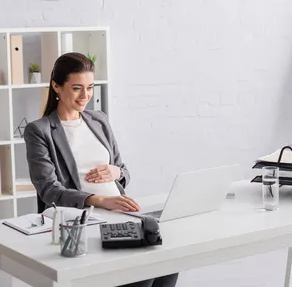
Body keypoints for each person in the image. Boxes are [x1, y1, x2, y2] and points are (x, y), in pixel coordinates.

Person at [24, 52, 179, 287]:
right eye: (77, 88)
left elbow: (123, 170)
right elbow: (49, 190)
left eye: (90, 87)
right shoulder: (40, 130)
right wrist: (100, 200)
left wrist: (116, 173)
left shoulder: (99, 120)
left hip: (120, 211)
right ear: (56, 86)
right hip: (83, 219)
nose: (85, 96)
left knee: (169, 264)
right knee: (142, 276)